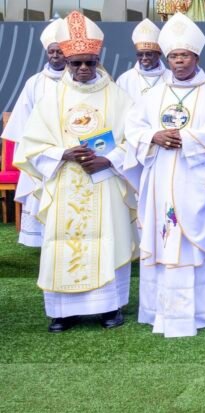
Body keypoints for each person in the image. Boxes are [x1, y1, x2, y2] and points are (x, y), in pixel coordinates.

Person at [14, 11, 137, 332]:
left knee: (108, 238)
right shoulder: (51, 98)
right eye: (76, 63)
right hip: (65, 179)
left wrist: (111, 160)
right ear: (67, 63)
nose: (83, 68)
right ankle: (63, 311)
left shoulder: (119, 97)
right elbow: (31, 145)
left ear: (98, 61)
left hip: (105, 181)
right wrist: (61, 154)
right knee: (62, 241)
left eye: (89, 62)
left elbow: (135, 140)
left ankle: (109, 307)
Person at [125, 12, 205, 338]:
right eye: (173, 56)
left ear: (196, 57)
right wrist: (153, 136)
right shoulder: (153, 94)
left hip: (197, 179)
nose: (179, 61)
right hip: (161, 178)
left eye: (184, 55)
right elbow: (133, 128)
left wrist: (188, 138)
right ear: (167, 59)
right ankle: (160, 311)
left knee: (198, 241)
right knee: (164, 237)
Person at [3, 19, 65, 248]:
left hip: (72, 150)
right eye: (52, 51)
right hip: (43, 152)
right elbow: (23, 123)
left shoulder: (80, 78)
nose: (55, 56)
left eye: (60, 51)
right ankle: (45, 241)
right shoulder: (35, 83)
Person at [116, 19, 165, 103]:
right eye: (140, 54)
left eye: (148, 54)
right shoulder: (125, 79)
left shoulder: (170, 78)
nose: (144, 58)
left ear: (159, 54)